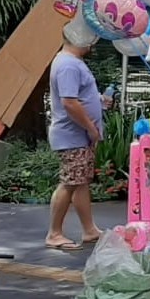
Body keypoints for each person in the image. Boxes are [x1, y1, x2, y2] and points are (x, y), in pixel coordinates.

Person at [45, 18, 112, 250]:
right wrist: (91, 127)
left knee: (80, 182)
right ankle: (54, 233)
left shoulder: (71, 63)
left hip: (76, 135)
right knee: (70, 183)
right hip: (73, 135)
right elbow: (70, 102)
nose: (92, 44)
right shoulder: (68, 65)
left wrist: (99, 101)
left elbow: (77, 97)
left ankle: (89, 229)